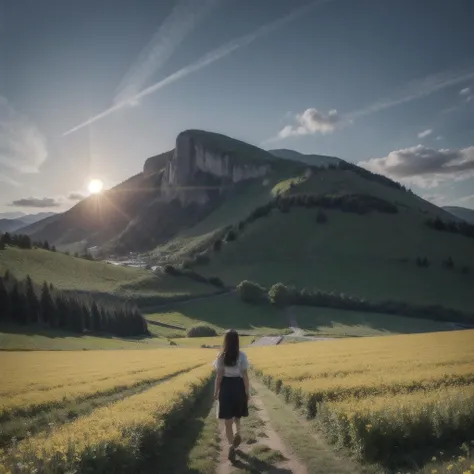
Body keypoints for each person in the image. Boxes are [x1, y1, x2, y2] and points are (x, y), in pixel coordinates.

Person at [213, 329, 250, 463]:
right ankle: (238, 433)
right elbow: (245, 376)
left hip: (226, 388)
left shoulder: (221, 357)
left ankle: (230, 446)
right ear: (237, 341)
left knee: (227, 421)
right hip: (238, 387)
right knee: (237, 416)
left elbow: (219, 377)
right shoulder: (242, 356)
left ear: (226, 341)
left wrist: (216, 392)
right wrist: (247, 392)